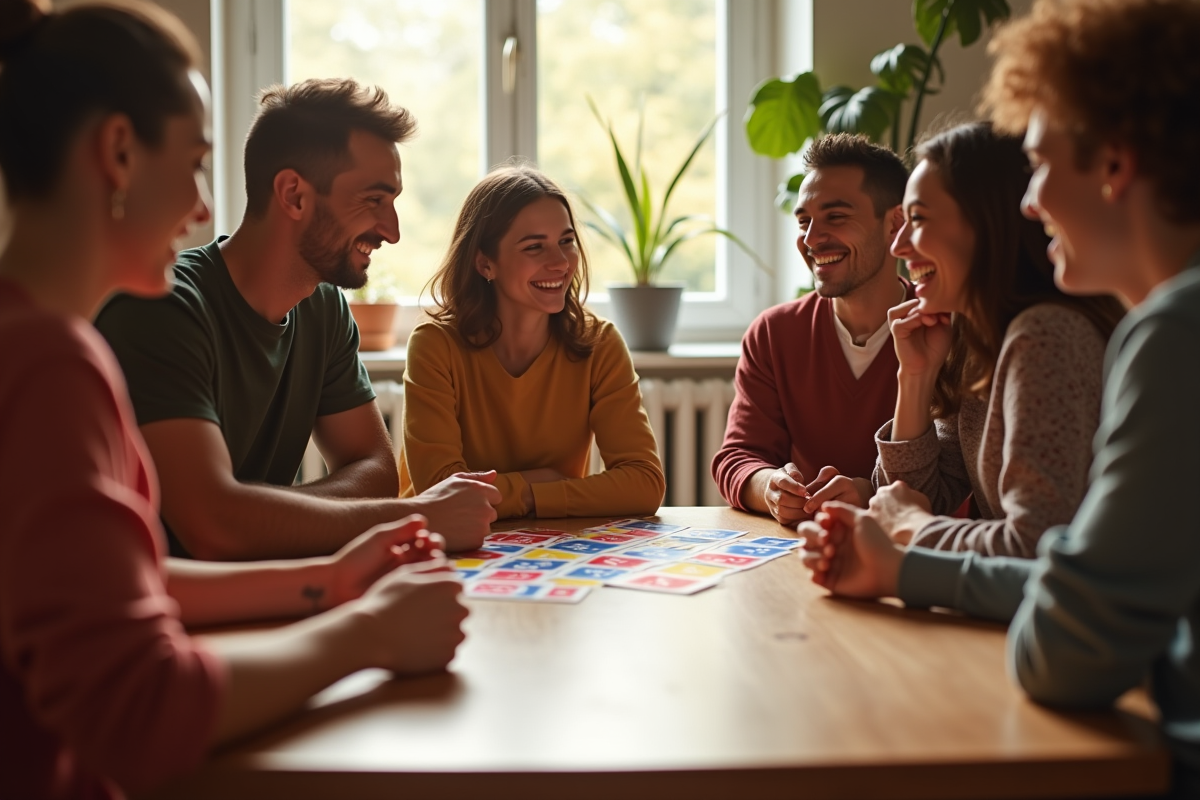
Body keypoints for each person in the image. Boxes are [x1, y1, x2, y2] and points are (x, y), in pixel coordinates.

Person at [0, 3, 469, 797]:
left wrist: (332, 579)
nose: (202, 209)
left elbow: (135, 582)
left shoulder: (46, 342)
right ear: (117, 153)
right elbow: (139, 706)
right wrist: (365, 634)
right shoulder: (50, 362)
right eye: (192, 164)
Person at [801, 0, 1200, 793]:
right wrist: (907, 540)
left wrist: (910, 543)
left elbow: (1063, 644)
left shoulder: (1163, 335)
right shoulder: (1047, 335)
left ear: (1115, 165)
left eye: (1045, 163)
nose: (1030, 198)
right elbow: (1072, 579)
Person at [93, 76, 500, 560]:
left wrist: (258, 514)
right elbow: (213, 528)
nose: (392, 232)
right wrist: (420, 516)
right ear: (293, 195)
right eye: (374, 200)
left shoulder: (323, 308)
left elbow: (375, 470)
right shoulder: (162, 308)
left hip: (263, 593)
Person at [859, 122, 1124, 557]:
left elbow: (1034, 544)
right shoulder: (978, 339)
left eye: (918, 219)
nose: (898, 246)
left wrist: (913, 525)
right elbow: (912, 499)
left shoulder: (1046, 335)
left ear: (988, 224)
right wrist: (916, 377)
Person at [400, 165, 665, 518]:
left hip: (549, 542)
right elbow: (441, 493)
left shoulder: (599, 344)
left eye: (566, 242)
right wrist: (547, 485)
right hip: (435, 542)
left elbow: (644, 485)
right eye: (534, 247)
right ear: (484, 263)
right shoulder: (435, 345)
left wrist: (530, 495)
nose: (560, 262)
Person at [711, 134, 912, 526]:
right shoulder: (774, 333)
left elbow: (959, 478)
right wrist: (769, 487)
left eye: (835, 217)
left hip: (918, 551)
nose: (811, 239)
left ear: (895, 224)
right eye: (804, 221)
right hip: (803, 550)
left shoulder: (950, 328)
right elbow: (738, 457)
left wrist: (871, 494)